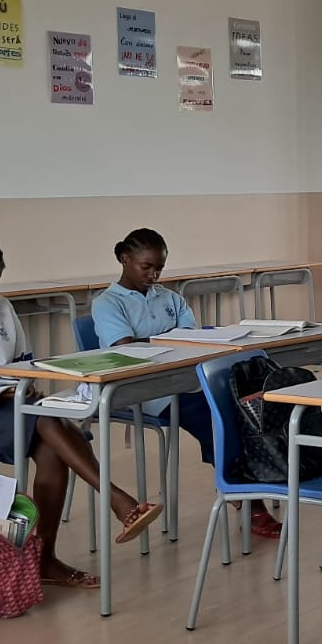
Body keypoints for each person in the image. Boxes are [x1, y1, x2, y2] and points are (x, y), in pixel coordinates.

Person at [0, 229, 162, 589]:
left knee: (51, 444)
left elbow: (23, 366)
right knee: (46, 421)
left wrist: (24, 387)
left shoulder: (2, 309)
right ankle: (117, 499)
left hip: (7, 407)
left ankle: (45, 558)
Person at [92, 229, 278, 537]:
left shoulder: (170, 298)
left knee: (243, 405)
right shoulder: (108, 303)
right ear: (125, 259)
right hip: (142, 389)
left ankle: (249, 482)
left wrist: (164, 341)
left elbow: (191, 340)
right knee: (214, 418)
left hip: (185, 381)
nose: (153, 275)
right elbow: (125, 348)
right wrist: (168, 340)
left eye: (159, 268)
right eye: (146, 267)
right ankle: (248, 499)